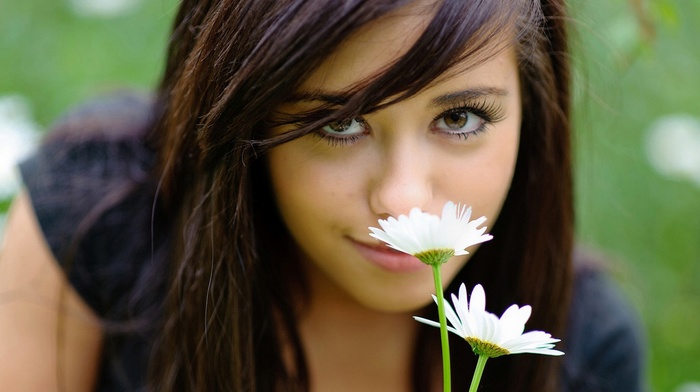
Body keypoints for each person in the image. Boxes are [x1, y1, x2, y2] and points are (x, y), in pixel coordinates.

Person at [0, 0, 646, 391]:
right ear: (243, 122)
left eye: (459, 119)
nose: (402, 202)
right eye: (338, 124)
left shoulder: (583, 349)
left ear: (534, 115)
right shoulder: (97, 219)